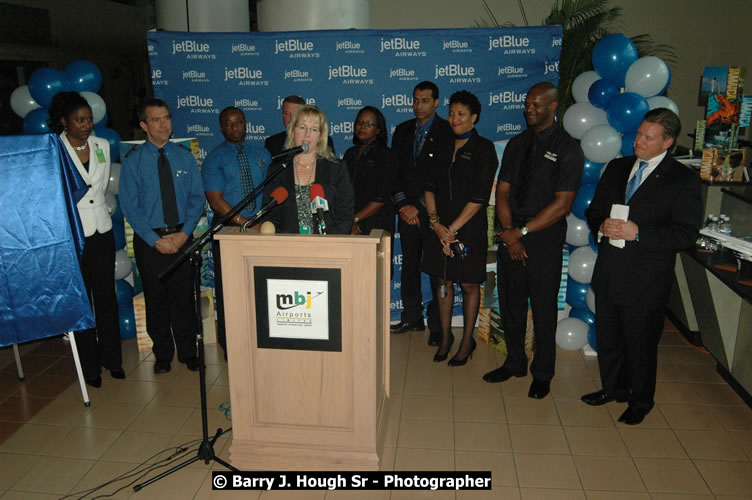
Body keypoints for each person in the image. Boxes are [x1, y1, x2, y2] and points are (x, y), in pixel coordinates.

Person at [581, 108, 702, 425]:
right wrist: (602, 224)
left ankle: (640, 401)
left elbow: (686, 234)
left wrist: (640, 233)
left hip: (646, 278)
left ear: (667, 142)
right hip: (609, 269)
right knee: (608, 336)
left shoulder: (682, 180)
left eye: (649, 137)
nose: (639, 141)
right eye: (638, 133)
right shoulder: (618, 167)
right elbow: (594, 210)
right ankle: (613, 388)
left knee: (640, 343)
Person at [482, 82, 583, 400]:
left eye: (536, 105)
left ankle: (543, 373)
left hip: (543, 240)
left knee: (542, 309)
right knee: (510, 304)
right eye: (527, 104)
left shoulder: (568, 148)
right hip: (512, 234)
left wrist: (522, 234)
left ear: (553, 107)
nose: (529, 109)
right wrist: (511, 233)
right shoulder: (517, 143)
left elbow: (563, 204)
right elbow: (502, 191)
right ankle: (514, 363)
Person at [120, 98, 205, 374]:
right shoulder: (134, 161)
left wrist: (184, 234)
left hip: (182, 236)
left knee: (183, 298)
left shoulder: (184, 156)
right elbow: (130, 206)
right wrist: (155, 239)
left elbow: (196, 199)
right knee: (156, 300)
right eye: (156, 120)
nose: (163, 124)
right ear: (144, 125)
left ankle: (188, 352)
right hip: (150, 241)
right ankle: (163, 354)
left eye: (166, 118)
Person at [49, 91, 123, 387]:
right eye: (79, 120)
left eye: (89, 119)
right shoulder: (55, 149)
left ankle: (113, 360)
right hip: (74, 236)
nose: (86, 125)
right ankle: (90, 368)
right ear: (65, 122)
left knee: (106, 298)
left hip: (101, 233)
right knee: (83, 302)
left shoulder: (102, 145)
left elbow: (101, 185)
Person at [423, 90, 497, 366]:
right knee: (443, 281)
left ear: (474, 117)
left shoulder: (484, 148)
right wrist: (435, 224)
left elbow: (479, 198)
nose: (454, 118)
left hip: (468, 228)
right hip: (439, 228)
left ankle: (467, 341)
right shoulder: (440, 145)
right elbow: (428, 188)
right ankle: (445, 338)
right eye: (452, 113)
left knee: (467, 284)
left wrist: (451, 229)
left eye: (461, 114)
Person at [202, 107, 271, 358]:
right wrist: (244, 223)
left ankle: (259, 341)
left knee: (259, 288)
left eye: (238, 123)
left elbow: (272, 190)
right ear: (221, 128)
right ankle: (231, 346)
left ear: (246, 124)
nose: (234, 128)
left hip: (260, 227)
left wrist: (261, 224)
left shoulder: (262, 153)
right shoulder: (214, 158)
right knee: (230, 290)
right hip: (228, 229)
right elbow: (215, 200)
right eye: (228, 124)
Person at [390, 81, 454, 344]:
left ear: (437, 102)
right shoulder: (403, 130)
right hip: (407, 213)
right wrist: (404, 206)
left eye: (425, 100)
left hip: (434, 213)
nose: (418, 105)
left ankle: (438, 324)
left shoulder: (447, 131)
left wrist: (417, 205)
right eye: (415, 100)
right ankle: (412, 317)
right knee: (409, 266)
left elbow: (443, 175)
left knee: (438, 268)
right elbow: (393, 172)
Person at [262, 105, 354, 234]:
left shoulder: (336, 168)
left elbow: (345, 214)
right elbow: (270, 215)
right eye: (302, 127)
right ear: (293, 131)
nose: (307, 134)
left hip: (329, 248)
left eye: (314, 129)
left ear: (320, 136)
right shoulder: (278, 170)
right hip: (287, 247)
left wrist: (330, 244)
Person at [343, 106, 397, 237]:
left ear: (378, 130)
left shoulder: (386, 155)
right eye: (360, 122)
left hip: (376, 224)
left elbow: (380, 198)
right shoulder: (350, 154)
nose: (363, 127)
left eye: (369, 124)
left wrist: (355, 219)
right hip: (350, 224)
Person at [265, 95, 335, 157]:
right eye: (286, 113)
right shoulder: (272, 143)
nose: (291, 118)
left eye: (295, 114)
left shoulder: (325, 141)